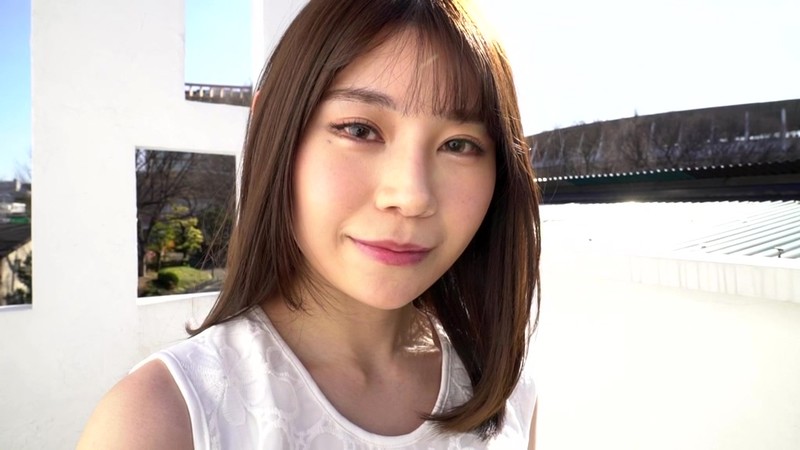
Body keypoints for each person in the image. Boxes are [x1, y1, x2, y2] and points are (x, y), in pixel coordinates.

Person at [78, 0, 541, 448]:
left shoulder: (505, 396)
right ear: (273, 130)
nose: (411, 197)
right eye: (359, 130)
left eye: (459, 145)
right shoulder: (163, 420)